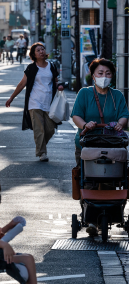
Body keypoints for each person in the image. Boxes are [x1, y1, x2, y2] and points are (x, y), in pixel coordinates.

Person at [71, 58, 129, 236]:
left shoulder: (117, 95)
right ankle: (91, 219)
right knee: (88, 179)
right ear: (93, 75)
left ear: (112, 76)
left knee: (114, 178)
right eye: (100, 73)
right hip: (87, 144)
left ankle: (112, 213)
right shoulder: (84, 93)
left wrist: (120, 124)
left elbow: (124, 116)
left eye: (108, 73)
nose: (104, 76)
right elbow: (76, 116)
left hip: (113, 144)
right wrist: (85, 125)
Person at [5, 42, 64, 162]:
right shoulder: (31, 68)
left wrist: (59, 86)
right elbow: (22, 84)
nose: (41, 51)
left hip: (49, 102)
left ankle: (40, 145)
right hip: (34, 102)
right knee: (39, 129)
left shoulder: (51, 66)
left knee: (50, 128)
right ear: (34, 54)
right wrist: (11, 98)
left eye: (42, 49)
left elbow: (56, 81)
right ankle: (42, 153)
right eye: (38, 50)